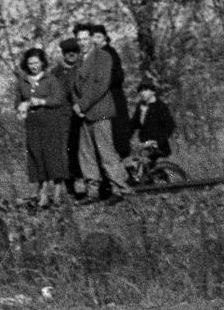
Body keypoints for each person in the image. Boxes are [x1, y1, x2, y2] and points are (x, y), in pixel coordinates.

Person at [70, 21, 134, 203]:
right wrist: (77, 106)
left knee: (106, 151)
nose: (82, 42)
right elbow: (74, 88)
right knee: (86, 154)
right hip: (83, 115)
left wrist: (81, 105)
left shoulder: (103, 57)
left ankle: (120, 188)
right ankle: (93, 192)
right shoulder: (78, 60)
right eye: (79, 39)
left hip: (100, 111)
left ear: (91, 38)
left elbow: (101, 85)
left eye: (85, 38)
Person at [14, 47, 71, 207]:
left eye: (36, 63)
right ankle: (43, 192)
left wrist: (42, 101)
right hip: (32, 124)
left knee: (53, 156)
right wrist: (22, 106)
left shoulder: (50, 79)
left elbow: (59, 99)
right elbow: (17, 102)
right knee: (37, 156)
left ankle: (58, 191)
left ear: (42, 63)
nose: (33, 66)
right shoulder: (22, 82)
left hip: (50, 122)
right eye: (30, 63)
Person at [50, 37, 86, 197]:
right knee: (66, 151)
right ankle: (70, 186)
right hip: (63, 118)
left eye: (74, 52)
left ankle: (87, 182)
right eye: (67, 52)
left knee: (84, 149)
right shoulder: (55, 73)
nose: (71, 55)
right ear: (63, 54)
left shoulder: (84, 68)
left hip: (83, 116)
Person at [131, 80, 176, 162]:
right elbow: (133, 124)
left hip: (158, 146)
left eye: (145, 90)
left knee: (148, 167)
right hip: (144, 144)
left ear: (152, 91)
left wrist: (157, 141)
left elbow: (170, 125)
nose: (142, 93)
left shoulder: (160, 106)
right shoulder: (140, 105)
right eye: (140, 91)